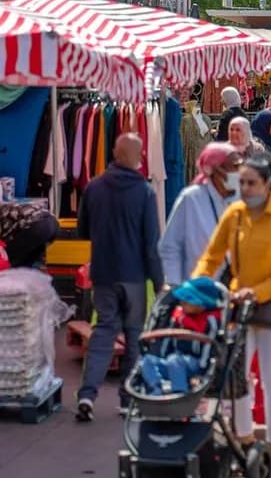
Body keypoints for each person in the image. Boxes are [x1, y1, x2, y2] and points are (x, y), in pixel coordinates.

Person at [193, 152, 271, 469]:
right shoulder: (235, 214)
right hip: (241, 305)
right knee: (237, 376)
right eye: (241, 182)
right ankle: (244, 440)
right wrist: (195, 286)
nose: (245, 189)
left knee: (269, 375)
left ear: (268, 184)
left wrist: (258, 291)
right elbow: (211, 257)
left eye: (251, 183)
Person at [76, 133, 164, 422]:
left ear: (114, 152)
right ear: (139, 157)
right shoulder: (145, 192)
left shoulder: (94, 187)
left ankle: (88, 394)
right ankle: (127, 400)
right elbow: (151, 244)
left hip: (103, 273)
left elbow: (83, 231)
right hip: (135, 277)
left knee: (104, 330)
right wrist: (158, 280)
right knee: (134, 335)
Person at [160, 142, 242, 286]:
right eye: (234, 166)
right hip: (197, 290)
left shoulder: (242, 200)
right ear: (216, 170)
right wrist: (174, 284)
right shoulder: (191, 198)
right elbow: (170, 246)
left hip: (235, 290)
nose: (239, 171)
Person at [140, 277, 223, 396]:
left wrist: (203, 372)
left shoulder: (210, 321)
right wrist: (161, 354)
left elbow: (209, 348)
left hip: (196, 363)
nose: (181, 302)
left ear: (201, 305)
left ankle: (179, 393)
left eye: (187, 301)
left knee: (175, 360)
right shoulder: (179, 316)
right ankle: (155, 389)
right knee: (147, 361)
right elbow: (168, 340)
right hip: (173, 360)